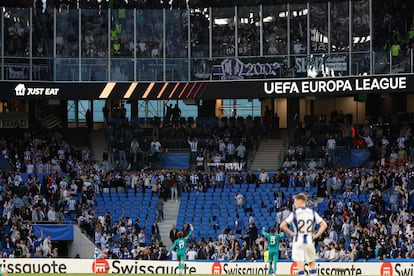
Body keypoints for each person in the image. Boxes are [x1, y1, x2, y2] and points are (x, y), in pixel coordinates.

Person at [280, 193, 328, 276]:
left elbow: (282, 225)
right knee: (312, 264)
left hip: (298, 241)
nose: (294, 203)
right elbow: (324, 225)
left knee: (300, 265)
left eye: (295, 201)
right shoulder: (312, 212)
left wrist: (291, 233)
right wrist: (316, 236)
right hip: (309, 240)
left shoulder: (294, 213)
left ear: (300, 201)